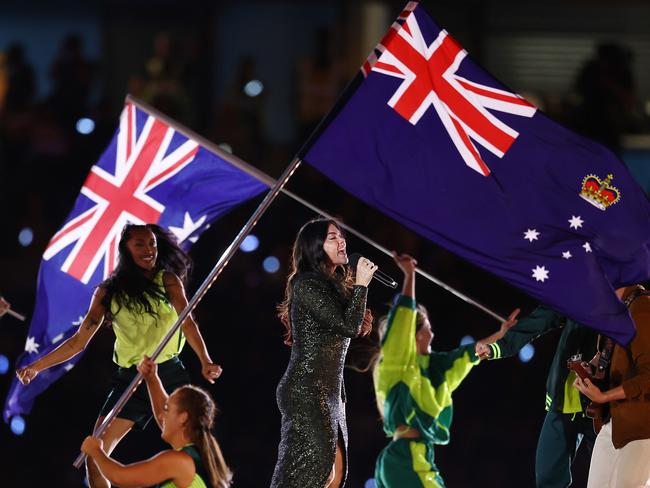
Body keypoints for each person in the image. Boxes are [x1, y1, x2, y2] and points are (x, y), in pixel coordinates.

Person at [16, 223, 222, 488]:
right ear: (125, 249)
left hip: (168, 372)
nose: (149, 251)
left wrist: (205, 360)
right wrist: (36, 367)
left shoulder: (168, 280)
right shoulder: (107, 292)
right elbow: (79, 342)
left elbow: (188, 322)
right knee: (95, 453)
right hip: (132, 377)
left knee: (189, 446)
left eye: (152, 244)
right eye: (140, 245)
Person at [373, 253, 518, 488]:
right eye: (427, 328)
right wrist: (409, 275)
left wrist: (502, 334)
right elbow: (402, 320)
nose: (432, 334)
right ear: (415, 334)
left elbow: (471, 354)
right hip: (405, 458)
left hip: (417, 456)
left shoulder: (439, 369)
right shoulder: (397, 363)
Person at [271, 218, 376, 488]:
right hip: (307, 390)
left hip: (329, 395)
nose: (342, 241)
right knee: (312, 473)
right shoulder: (306, 284)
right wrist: (362, 284)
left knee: (335, 476)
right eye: (332, 237)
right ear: (315, 247)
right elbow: (347, 326)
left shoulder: (331, 286)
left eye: (341, 236)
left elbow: (347, 326)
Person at [476, 306, 600, 488]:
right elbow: (541, 319)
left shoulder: (629, 296)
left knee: (612, 479)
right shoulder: (577, 289)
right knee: (548, 480)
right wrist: (499, 346)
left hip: (604, 407)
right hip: (564, 402)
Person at [81, 356, 232, 488]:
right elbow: (161, 413)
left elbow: (120, 477)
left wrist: (96, 452)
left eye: (167, 408)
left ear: (183, 417)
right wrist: (151, 378)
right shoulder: (197, 457)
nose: (161, 415)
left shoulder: (178, 461)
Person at [573, 285, 650, 488]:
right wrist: (588, 371)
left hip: (642, 428)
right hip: (613, 422)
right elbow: (605, 357)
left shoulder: (642, 308)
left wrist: (604, 396)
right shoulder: (614, 311)